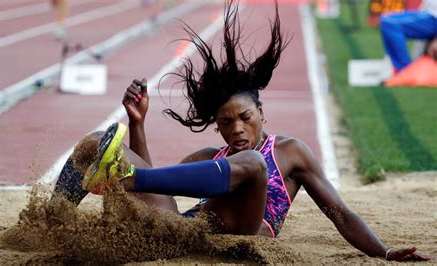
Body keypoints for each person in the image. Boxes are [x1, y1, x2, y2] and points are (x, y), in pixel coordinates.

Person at [52, 1, 432, 261]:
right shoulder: (208, 159)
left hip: (245, 238)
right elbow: (158, 191)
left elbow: (340, 213)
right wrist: (138, 124)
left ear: (261, 113)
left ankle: (127, 177)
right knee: (96, 142)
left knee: (252, 163)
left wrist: (382, 252)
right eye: (226, 122)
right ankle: (50, 220)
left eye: (245, 118)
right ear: (216, 126)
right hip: (191, 234)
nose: (237, 128)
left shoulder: (290, 152)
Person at [379, 0, 437, 72]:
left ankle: (404, 71)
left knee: (390, 23)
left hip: (433, 18)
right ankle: (403, 70)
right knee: (388, 22)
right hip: (427, 13)